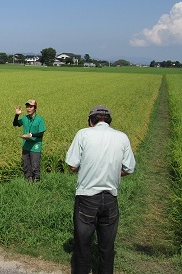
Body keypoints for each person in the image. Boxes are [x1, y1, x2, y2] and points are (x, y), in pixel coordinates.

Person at [66, 105, 136, 274]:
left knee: (82, 248)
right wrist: (112, 172)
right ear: (109, 121)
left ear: (91, 121)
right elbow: (129, 168)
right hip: (111, 200)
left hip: (87, 199)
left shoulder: (83, 134)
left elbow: (72, 166)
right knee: (106, 248)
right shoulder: (122, 137)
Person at [13, 99, 46, 182]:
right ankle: (28, 180)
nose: (28, 109)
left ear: (35, 108)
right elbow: (15, 124)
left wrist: (31, 135)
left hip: (35, 146)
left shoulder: (39, 119)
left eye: (31, 107)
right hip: (26, 146)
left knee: (35, 166)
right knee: (26, 165)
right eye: (27, 107)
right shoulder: (25, 118)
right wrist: (17, 115)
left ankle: (37, 181)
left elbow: (41, 133)